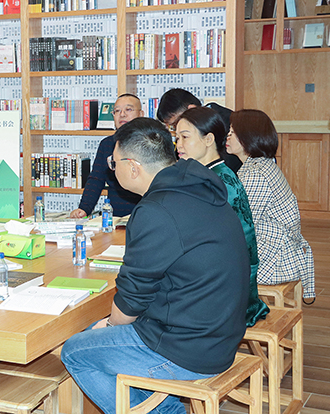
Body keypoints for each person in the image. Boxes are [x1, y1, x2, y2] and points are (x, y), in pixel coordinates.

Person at [60, 118, 250, 414]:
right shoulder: (198, 188)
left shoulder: (156, 210)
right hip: (222, 334)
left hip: (190, 349)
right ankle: (163, 405)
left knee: (75, 351)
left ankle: (164, 411)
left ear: (133, 167)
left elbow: (131, 302)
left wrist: (109, 325)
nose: (112, 170)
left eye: (114, 163)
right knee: (91, 333)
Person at [175, 106, 269, 326]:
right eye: (176, 137)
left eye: (185, 137)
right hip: (220, 274)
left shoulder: (219, 182)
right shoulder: (210, 173)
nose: (178, 144)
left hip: (228, 288)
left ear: (208, 139)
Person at [227, 109, 315, 300]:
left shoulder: (255, 174)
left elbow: (242, 225)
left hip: (274, 260)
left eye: (233, 132)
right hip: (279, 250)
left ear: (248, 137)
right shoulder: (261, 164)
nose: (228, 136)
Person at [70, 94, 144, 218]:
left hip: (145, 213)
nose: (122, 114)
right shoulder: (107, 144)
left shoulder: (151, 143)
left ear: (141, 114)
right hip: (115, 217)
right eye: (117, 111)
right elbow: (96, 179)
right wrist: (84, 208)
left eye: (128, 109)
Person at [156, 88, 242, 173]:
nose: (178, 127)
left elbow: (230, 162)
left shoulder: (229, 122)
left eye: (176, 123)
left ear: (191, 109)